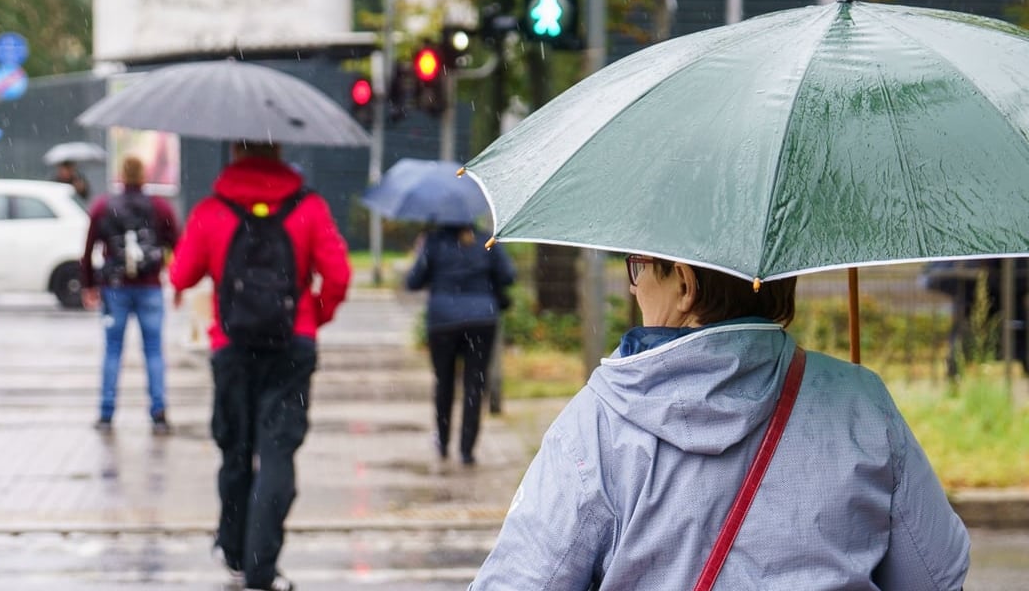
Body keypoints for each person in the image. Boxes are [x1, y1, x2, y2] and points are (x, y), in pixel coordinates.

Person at [470, 254, 970, 589]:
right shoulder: (861, 401)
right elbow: (935, 575)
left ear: (685, 283)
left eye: (637, 267)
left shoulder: (599, 426)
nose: (634, 285)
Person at [168, 141, 350, 591]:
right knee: (277, 454)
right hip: (292, 347)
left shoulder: (212, 210)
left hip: (231, 348)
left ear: (233, 154)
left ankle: (231, 549)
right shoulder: (309, 207)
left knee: (235, 451)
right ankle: (260, 567)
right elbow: (340, 274)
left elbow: (181, 275)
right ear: (281, 151)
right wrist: (313, 314)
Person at [80, 156, 180, 434]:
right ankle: (158, 412)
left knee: (113, 350)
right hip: (149, 287)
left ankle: (106, 412)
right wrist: (175, 279)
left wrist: (89, 284)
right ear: (144, 176)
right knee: (153, 351)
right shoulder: (160, 207)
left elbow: (88, 248)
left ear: (121, 176)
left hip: (115, 289)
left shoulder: (103, 206)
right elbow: (178, 242)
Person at [406, 225, 515, 465]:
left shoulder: (433, 242)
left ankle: (443, 442)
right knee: (475, 383)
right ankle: (467, 449)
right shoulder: (486, 240)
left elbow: (413, 281)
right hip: (481, 319)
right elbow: (508, 275)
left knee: (443, 381)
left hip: (443, 322)